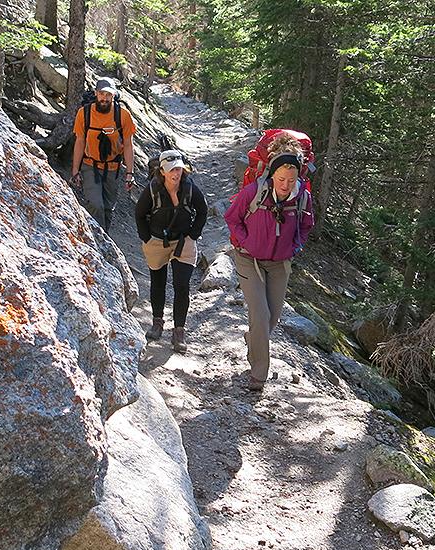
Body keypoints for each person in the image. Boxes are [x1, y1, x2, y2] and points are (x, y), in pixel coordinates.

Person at [224, 135, 314, 390]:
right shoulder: (253, 192)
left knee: (272, 317)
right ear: (272, 174)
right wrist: (245, 242)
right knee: (261, 314)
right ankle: (259, 374)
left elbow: (307, 225)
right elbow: (232, 218)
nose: (286, 185)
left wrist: (295, 246)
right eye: (281, 179)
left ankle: (253, 338)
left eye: (291, 180)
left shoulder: (303, 198)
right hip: (248, 259)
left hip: (279, 263)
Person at [135, 149, 208, 353]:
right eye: (172, 169)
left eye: (179, 168)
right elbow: (139, 214)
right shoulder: (153, 189)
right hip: (157, 240)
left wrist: (193, 235)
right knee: (158, 281)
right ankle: (157, 322)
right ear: (163, 171)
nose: (176, 173)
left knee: (181, 285)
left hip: (184, 241)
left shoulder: (190, 188)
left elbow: (202, 211)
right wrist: (146, 238)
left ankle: (179, 331)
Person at [70, 77, 136, 232]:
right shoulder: (84, 113)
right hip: (89, 166)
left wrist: (129, 173)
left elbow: (128, 145)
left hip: (113, 168)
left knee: (108, 207)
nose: (104, 98)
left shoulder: (123, 115)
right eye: (101, 94)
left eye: (108, 95)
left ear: (114, 95)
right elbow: (79, 142)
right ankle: (97, 242)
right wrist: (75, 170)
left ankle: (104, 240)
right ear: (95, 94)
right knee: (95, 204)